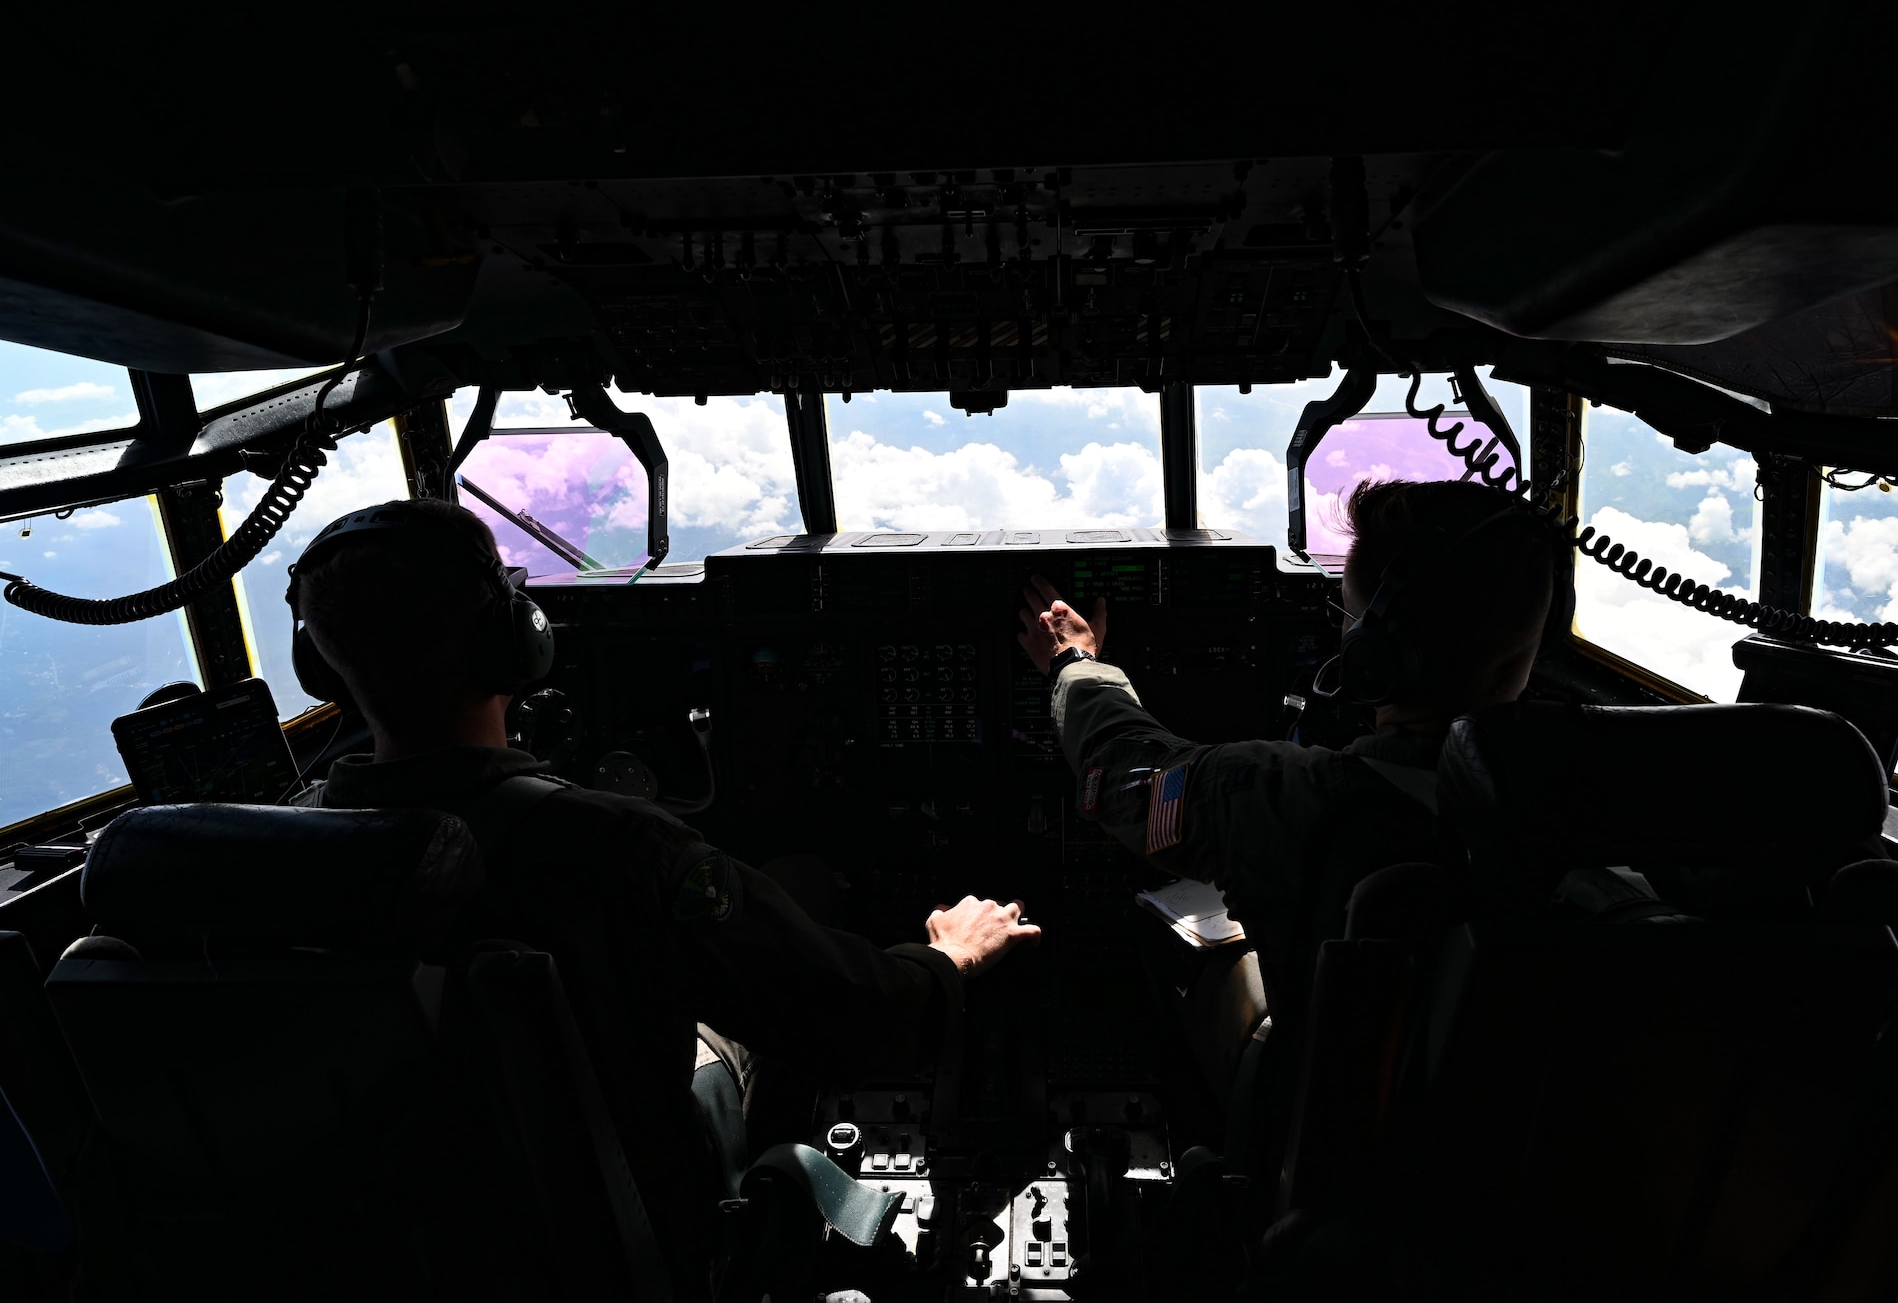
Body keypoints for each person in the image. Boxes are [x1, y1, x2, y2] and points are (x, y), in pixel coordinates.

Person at [290, 497, 1038, 1291]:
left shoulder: (279, 851)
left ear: (324, 665)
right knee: (802, 890)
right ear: (511, 644)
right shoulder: (615, 846)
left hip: (418, 1246)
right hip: (633, 1240)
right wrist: (945, 958)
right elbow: (847, 1016)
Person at [1014, 478, 1557, 1125]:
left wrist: (1075, 662)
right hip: (1511, 1137)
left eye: (1347, 620)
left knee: (1179, 946)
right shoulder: (1611, 800)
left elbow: (1129, 779)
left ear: (1371, 660)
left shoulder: (1285, 794)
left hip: (1336, 1138)